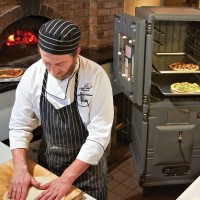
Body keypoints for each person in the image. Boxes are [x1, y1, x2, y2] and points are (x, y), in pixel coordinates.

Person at [8, 19, 114, 200]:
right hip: (48, 165)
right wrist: (20, 168)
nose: (53, 71)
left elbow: (99, 135)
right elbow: (20, 125)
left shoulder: (96, 76)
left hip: (88, 172)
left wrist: (66, 178)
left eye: (60, 64)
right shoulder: (33, 75)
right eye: (47, 63)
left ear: (77, 53)